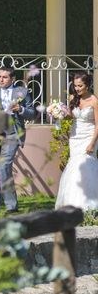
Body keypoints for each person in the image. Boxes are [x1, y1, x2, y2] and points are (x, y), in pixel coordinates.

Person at [0, 66, 36, 213]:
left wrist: (21, 109)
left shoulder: (22, 92)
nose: (1, 79)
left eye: (5, 77)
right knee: (0, 169)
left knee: (5, 165)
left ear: (12, 79)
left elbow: (32, 114)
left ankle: (10, 206)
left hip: (13, 133)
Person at [55, 72, 98, 210]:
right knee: (73, 168)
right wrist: (61, 113)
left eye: (80, 85)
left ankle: (89, 206)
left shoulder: (94, 101)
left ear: (87, 85)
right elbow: (73, 117)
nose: (77, 88)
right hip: (75, 137)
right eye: (75, 85)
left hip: (88, 137)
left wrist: (92, 143)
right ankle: (72, 204)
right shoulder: (73, 98)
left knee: (85, 168)